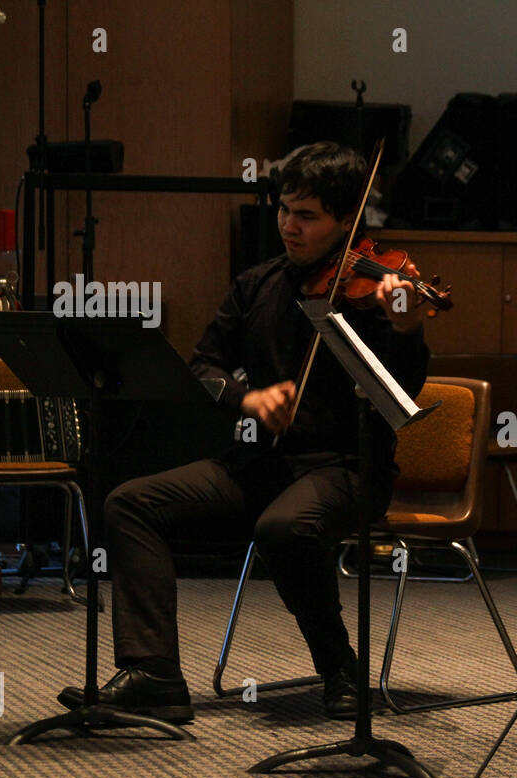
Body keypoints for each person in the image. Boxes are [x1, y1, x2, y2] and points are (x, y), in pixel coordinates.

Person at [58, 142, 429, 723]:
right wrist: (247, 397)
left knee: (284, 528)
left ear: (346, 218)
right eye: (284, 210)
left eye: (306, 216)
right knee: (132, 503)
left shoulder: (377, 292)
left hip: (344, 468)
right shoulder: (257, 285)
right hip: (258, 464)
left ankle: (340, 669)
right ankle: (154, 672)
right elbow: (201, 367)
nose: (288, 226)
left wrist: (406, 328)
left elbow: (399, 393)